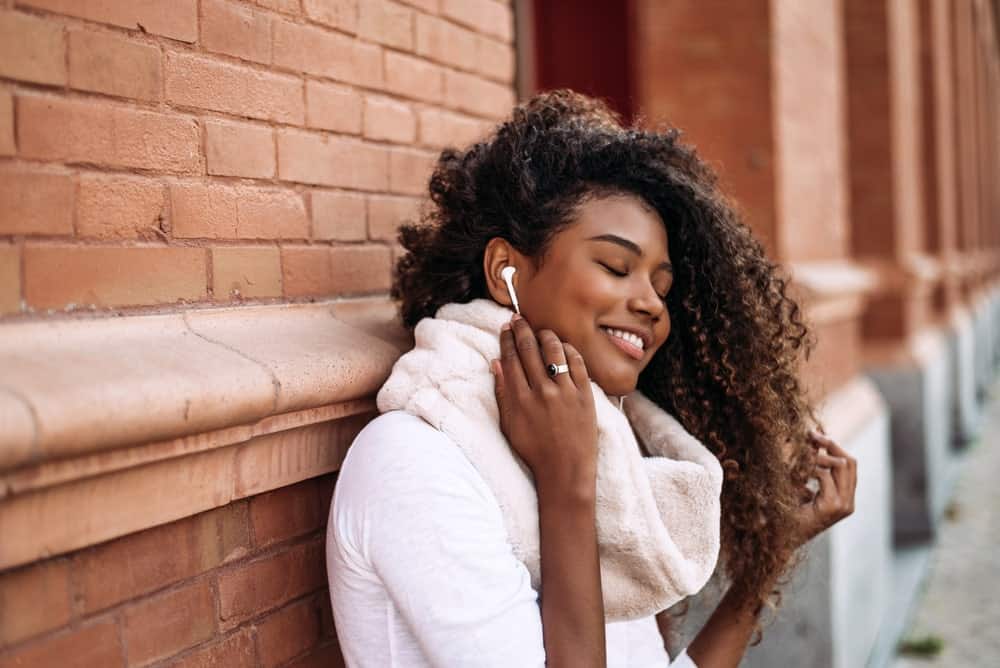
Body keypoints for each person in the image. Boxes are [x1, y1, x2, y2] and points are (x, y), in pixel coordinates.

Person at [326, 90, 857, 667]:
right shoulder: (418, 462)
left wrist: (771, 558)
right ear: (506, 270)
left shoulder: (608, 454)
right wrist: (567, 482)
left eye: (662, 285)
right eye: (615, 266)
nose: (651, 305)